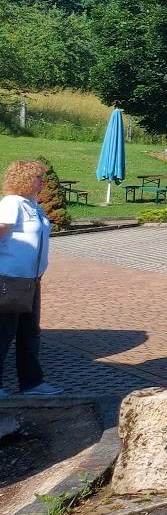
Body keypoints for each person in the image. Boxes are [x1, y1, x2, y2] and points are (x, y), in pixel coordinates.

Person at [0, 160, 61, 397]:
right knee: (3, 333)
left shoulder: (34, 205)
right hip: (9, 280)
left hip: (31, 281)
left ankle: (32, 383)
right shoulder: (11, 204)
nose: (43, 181)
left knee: (29, 333)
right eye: (38, 177)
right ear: (24, 179)